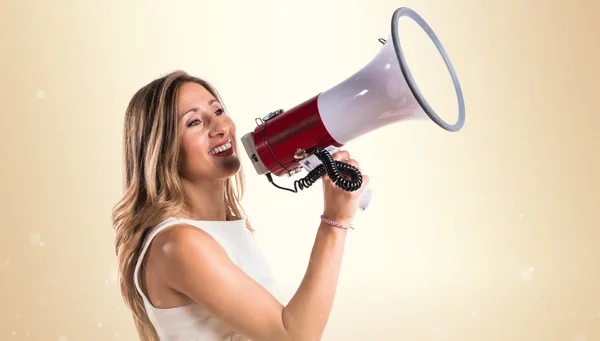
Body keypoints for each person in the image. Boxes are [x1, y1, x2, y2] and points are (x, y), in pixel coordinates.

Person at [112, 70, 370, 341]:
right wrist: (335, 221)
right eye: (194, 122)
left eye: (219, 110)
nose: (221, 127)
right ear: (162, 149)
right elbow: (294, 337)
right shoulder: (178, 243)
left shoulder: (224, 231)